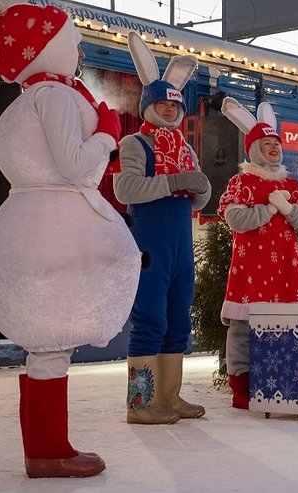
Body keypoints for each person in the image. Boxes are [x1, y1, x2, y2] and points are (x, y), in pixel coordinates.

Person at [0, 1, 141, 478]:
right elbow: (74, 165)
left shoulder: (21, 104)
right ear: (46, 45)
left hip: (25, 228)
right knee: (50, 349)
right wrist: (108, 134)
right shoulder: (53, 96)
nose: (81, 50)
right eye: (74, 40)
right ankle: (49, 452)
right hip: (52, 239)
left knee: (44, 351)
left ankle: (46, 447)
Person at [114, 33, 211, 425]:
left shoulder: (183, 148)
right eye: (162, 103)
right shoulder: (135, 143)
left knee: (177, 320)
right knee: (149, 319)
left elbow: (197, 199)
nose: (170, 109)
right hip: (150, 244)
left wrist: (201, 188)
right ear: (147, 106)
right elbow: (125, 189)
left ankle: (169, 398)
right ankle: (140, 404)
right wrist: (175, 182)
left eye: (175, 104)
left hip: (180, 243)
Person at [217, 97, 298, 409]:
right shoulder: (241, 182)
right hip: (251, 267)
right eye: (266, 143)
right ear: (253, 149)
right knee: (243, 327)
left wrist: (288, 208)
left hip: (285, 267)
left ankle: (283, 380)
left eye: (276, 143)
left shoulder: (292, 184)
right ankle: (242, 386)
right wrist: (270, 209)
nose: (274, 148)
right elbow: (236, 219)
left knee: (288, 324)